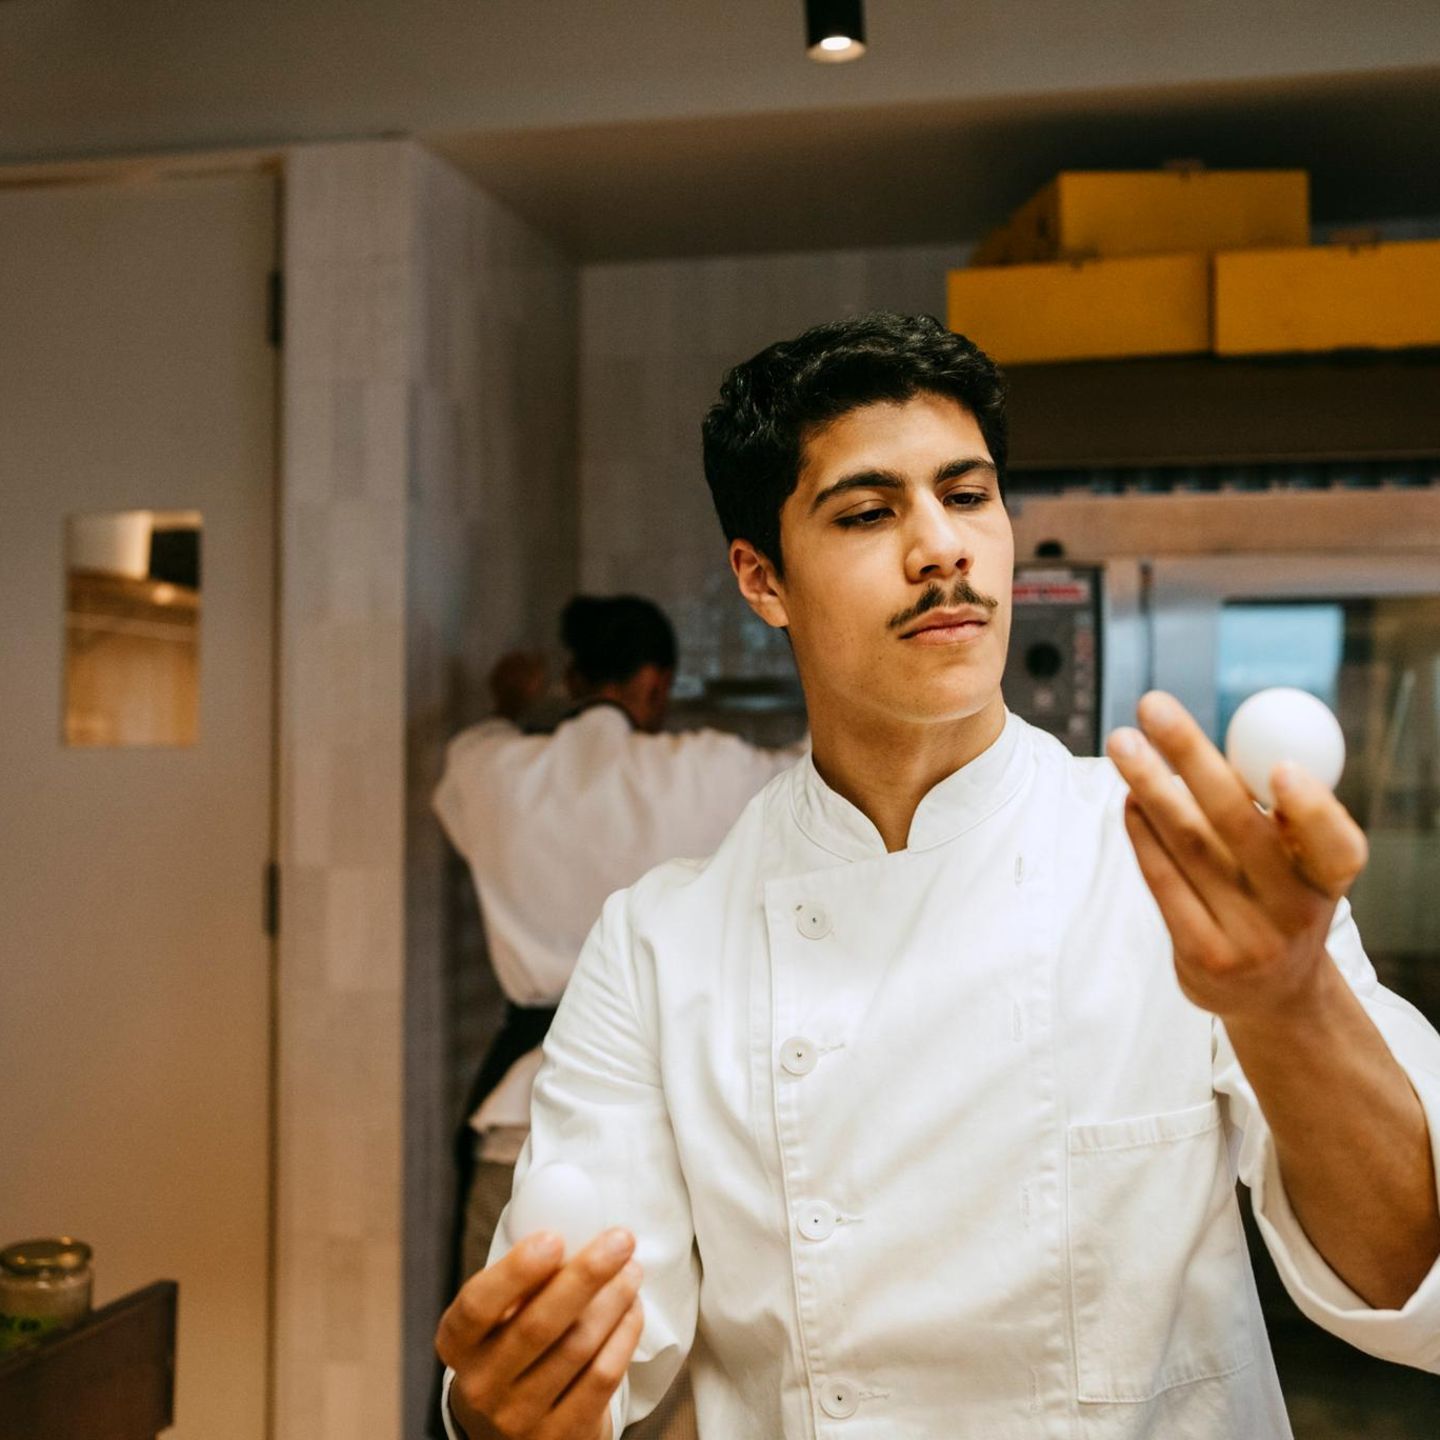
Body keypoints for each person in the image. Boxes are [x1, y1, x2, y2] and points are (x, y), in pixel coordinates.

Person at [435, 313, 1440, 1440]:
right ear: (762, 580)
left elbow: (1413, 1273)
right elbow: (573, 1367)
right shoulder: (659, 945)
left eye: (968, 497)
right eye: (868, 513)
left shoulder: (1182, 867)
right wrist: (505, 1404)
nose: (941, 547)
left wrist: (1290, 1003)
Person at [433, 595, 802, 1308]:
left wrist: (510, 702)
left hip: (517, 1119)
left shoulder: (495, 770)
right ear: (656, 685)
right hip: (664, 1121)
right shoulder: (708, 770)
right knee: (647, 1361)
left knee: (501, 1348)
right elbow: (824, 772)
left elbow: (470, 752)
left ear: (573, 679)